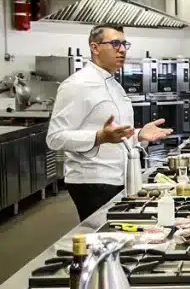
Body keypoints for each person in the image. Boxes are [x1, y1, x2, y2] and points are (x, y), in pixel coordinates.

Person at [47, 24, 173, 221]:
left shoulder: (114, 85)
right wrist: (99, 137)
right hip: (92, 181)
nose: (122, 50)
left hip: (119, 177)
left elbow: (116, 134)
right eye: (115, 44)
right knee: (103, 233)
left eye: (124, 44)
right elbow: (55, 138)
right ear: (95, 47)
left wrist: (139, 135)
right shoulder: (77, 85)